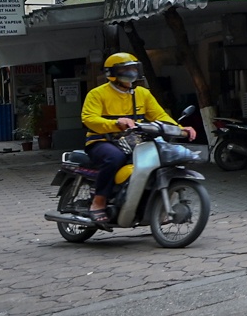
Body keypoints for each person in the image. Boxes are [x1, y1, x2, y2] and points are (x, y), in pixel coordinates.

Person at [79, 53, 192, 222]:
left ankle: (146, 204)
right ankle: (99, 202)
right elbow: (89, 119)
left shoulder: (142, 93)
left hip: (134, 141)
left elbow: (160, 116)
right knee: (114, 158)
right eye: (125, 69)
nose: (130, 72)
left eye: (133, 68)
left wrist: (181, 129)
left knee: (159, 160)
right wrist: (116, 123)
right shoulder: (97, 94)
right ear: (112, 72)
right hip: (102, 141)